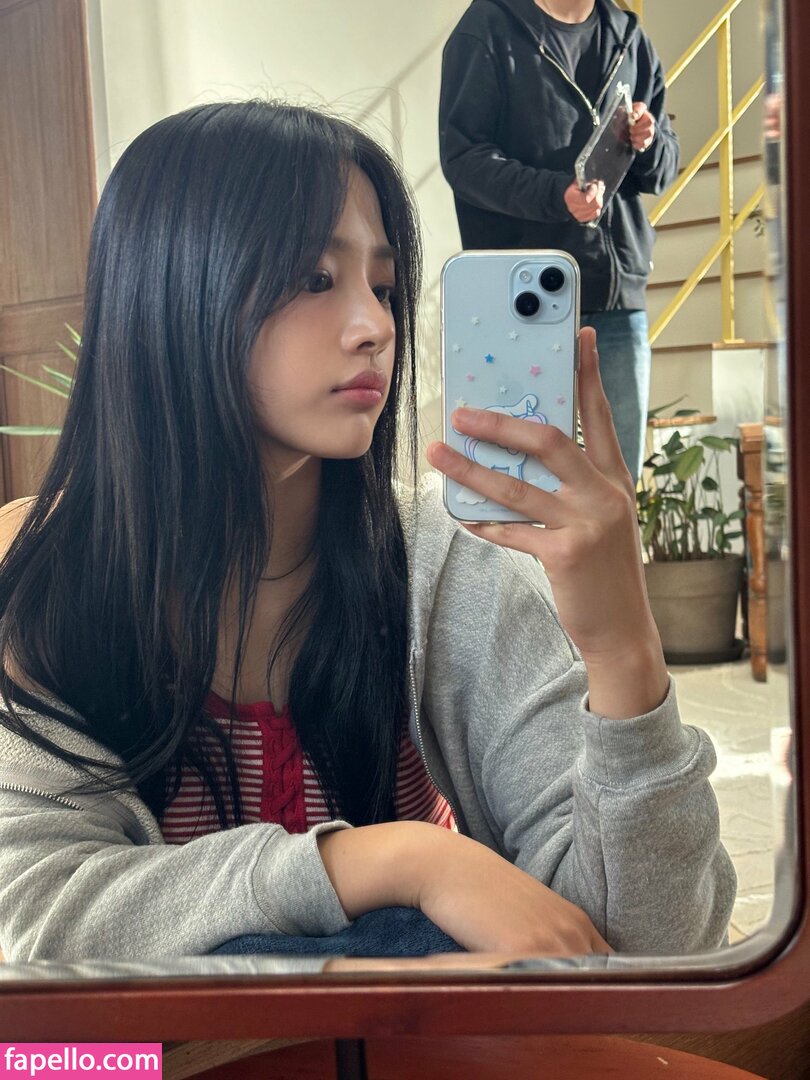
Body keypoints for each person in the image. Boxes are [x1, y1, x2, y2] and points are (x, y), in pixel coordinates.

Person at [0, 101, 733, 963]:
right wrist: (398, 862)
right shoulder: (52, 589)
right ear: (171, 291)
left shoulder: (446, 567)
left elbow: (645, 950)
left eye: (382, 287)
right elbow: (31, 920)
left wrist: (624, 654)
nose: (377, 326)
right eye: (316, 280)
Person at [438, 0, 680, 484]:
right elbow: (463, 160)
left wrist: (648, 141)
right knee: (518, 482)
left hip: (615, 301)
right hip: (523, 297)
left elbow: (665, 166)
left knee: (617, 488)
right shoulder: (487, 27)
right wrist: (556, 196)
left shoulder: (628, 34)